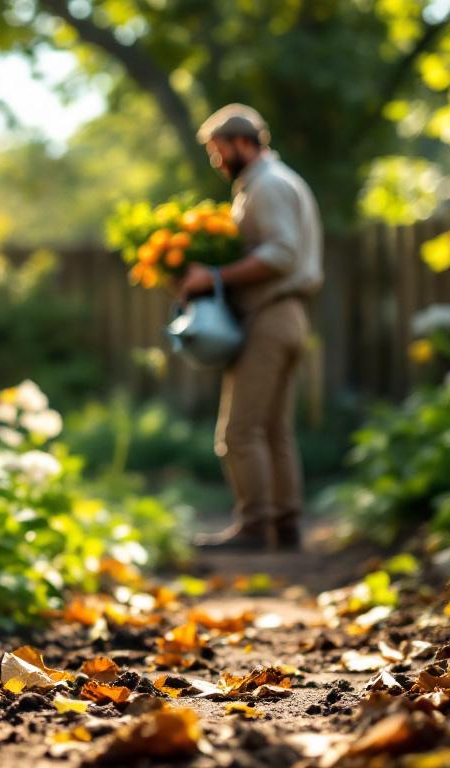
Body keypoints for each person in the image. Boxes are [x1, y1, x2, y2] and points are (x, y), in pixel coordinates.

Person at [177, 104, 323, 552]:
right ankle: (285, 525)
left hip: (271, 316)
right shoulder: (278, 182)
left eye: (219, 152)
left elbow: (281, 254)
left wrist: (214, 277)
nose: (217, 162)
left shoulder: (268, 187)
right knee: (273, 430)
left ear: (243, 142)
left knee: (240, 432)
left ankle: (256, 527)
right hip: (289, 316)